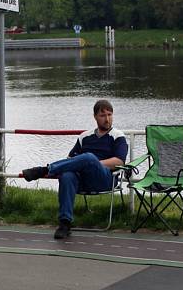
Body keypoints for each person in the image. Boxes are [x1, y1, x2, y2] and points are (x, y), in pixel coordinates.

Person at [22, 99, 128, 239]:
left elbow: (119, 161)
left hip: (105, 179)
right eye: (103, 116)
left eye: (110, 115)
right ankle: (65, 223)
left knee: (89, 158)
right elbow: (70, 160)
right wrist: (84, 163)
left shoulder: (118, 136)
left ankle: (44, 170)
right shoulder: (84, 136)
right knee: (67, 175)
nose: (107, 119)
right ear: (95, 117)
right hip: (82, 180)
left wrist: (93, 163)